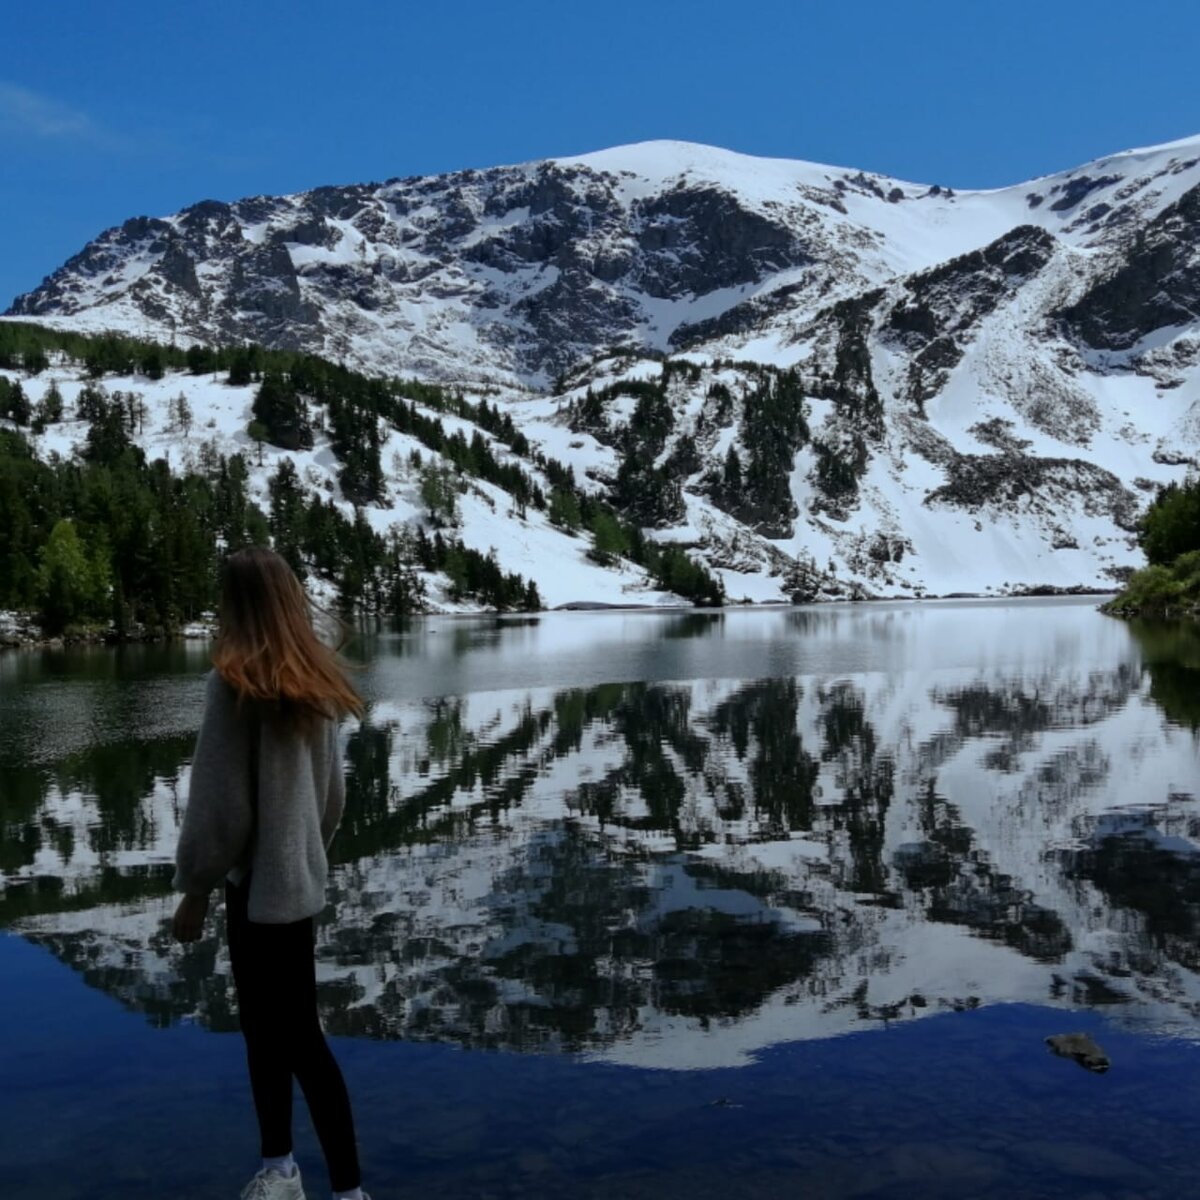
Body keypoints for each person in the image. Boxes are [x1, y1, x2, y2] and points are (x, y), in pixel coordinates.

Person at [172, 546, 371, 1200]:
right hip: (297, 888)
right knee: (282, 1031)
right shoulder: (314, 684)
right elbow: (334, 798)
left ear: (239, 605)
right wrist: (305, 857)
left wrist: (195, 890)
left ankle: (329, 1186)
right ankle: (285, 1169)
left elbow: (220, 808)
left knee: (281, 1037)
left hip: (255, 891)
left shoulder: (233, 683)